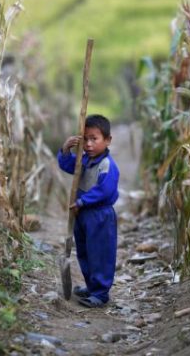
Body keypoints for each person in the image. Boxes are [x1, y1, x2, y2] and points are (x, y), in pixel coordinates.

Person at [57, 114, 120, 308]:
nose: (89, 144)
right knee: (85, 251)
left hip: (99, 215)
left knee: (100, 252)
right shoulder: (84, 161)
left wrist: (83, 201)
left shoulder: (107, 165)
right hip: (82, 214)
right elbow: (69, 166)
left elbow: (105, 190)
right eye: (85, 139)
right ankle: (92, 287)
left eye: (94, 139)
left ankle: (101, 293)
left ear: (107, 140)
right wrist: (65, 150)